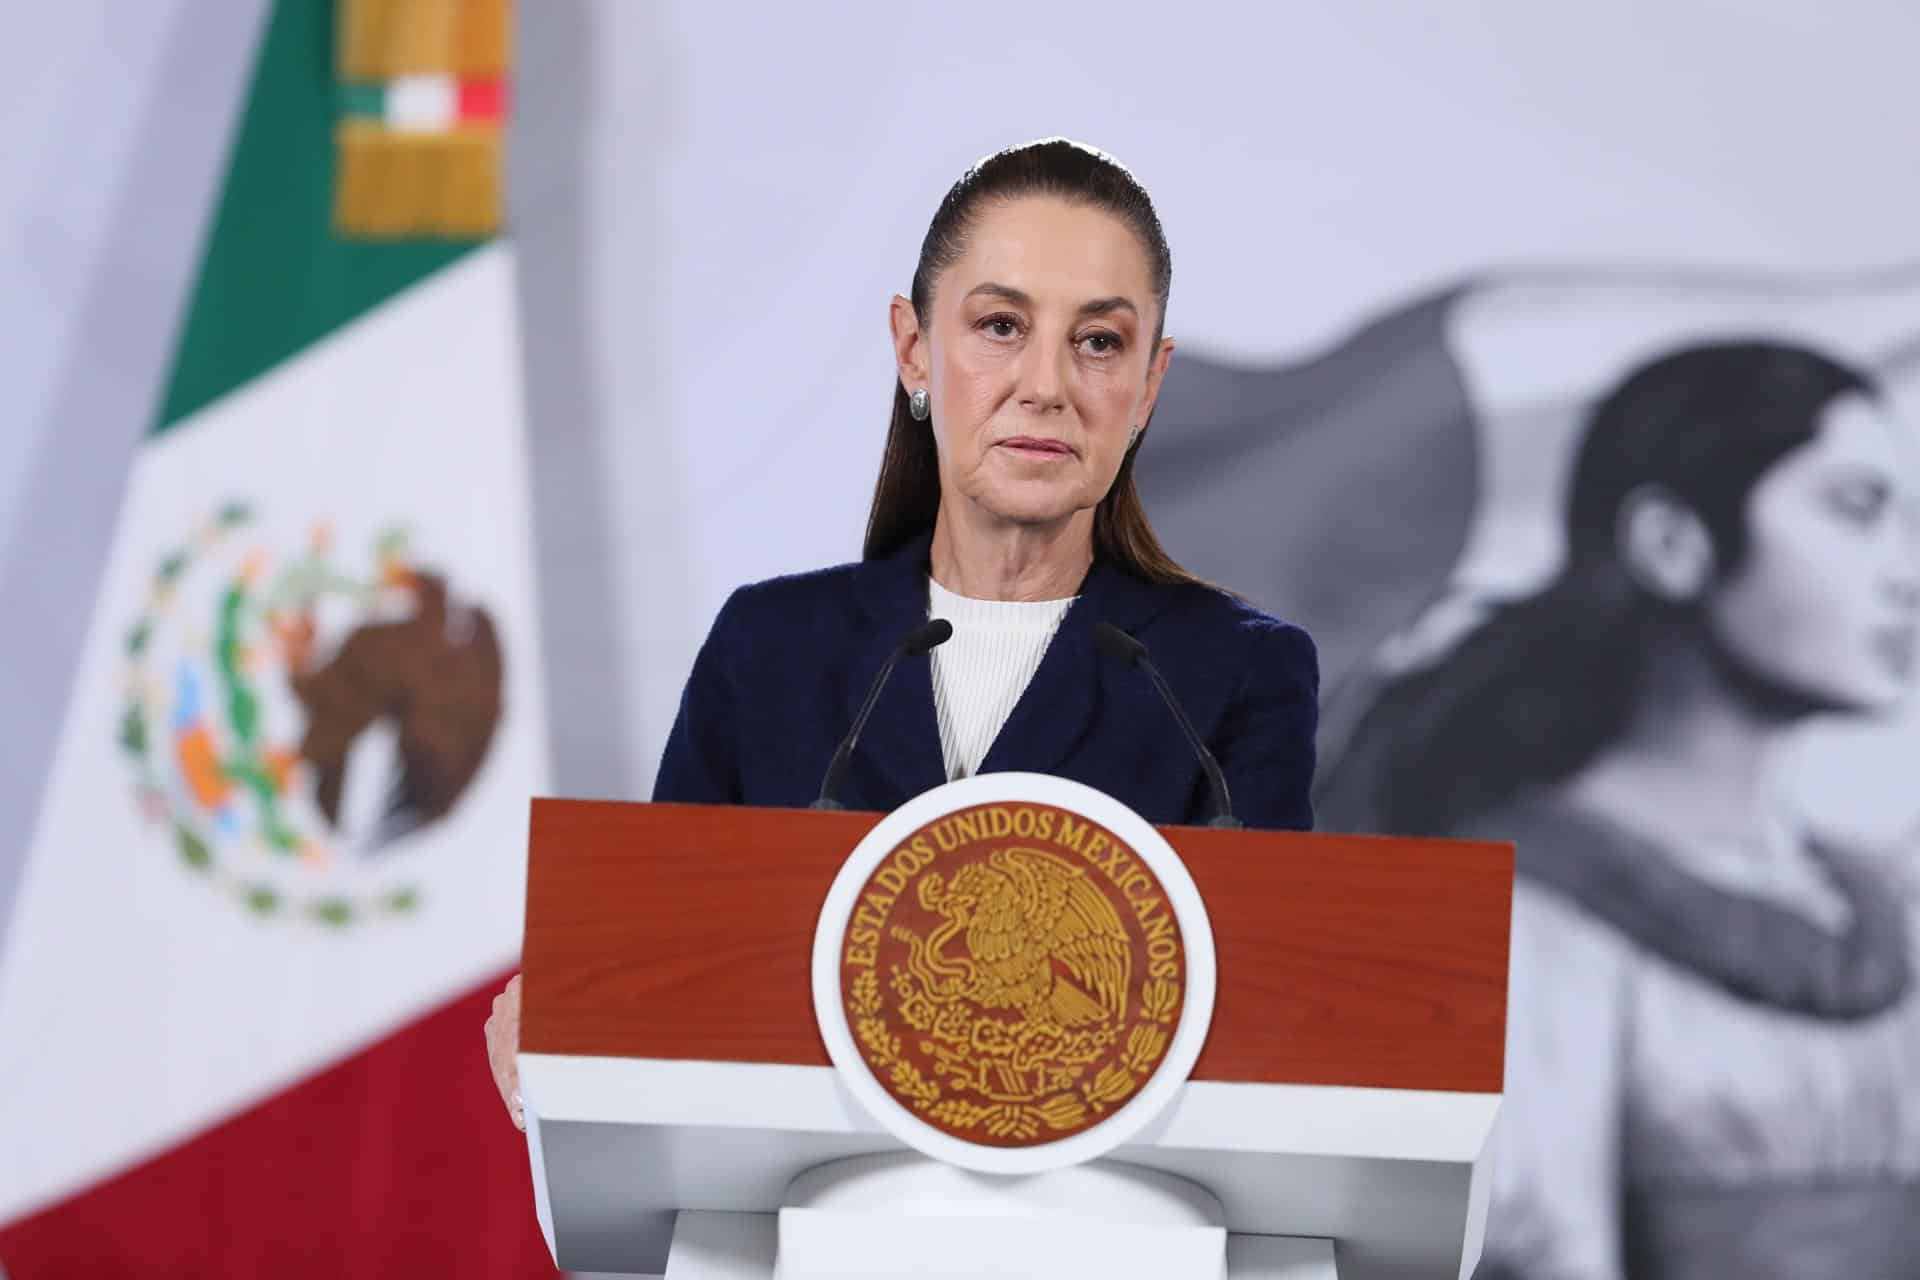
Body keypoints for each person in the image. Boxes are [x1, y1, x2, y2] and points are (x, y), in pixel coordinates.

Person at [485, 139, 1320, 1131]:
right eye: (1001, 325)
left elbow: (1271, 1042)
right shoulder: (774, 649)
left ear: (1148, 383)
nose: (1046, 384)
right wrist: (569, 1033)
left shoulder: (1232, 675)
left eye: (1099, 341)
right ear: (915, 348)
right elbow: (671, 977)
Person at [1319, 341, 1920, 1278]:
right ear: (1672, 544)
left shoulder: (1874, 905)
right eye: (1855, 510)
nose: (1905, 576)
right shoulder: (1520, 925)